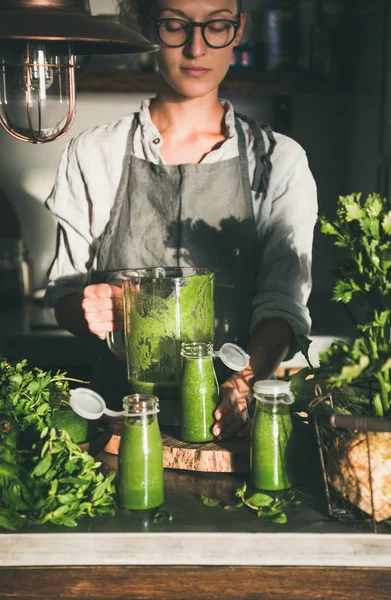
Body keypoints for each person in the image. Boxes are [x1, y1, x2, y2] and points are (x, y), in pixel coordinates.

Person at [45, 0, 317, 440]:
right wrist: (87, 309)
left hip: (233, 422)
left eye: (217, 26)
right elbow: (63, 293)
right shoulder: (94, 153)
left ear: (239, 29)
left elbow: (283, 303)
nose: (196, 47)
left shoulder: (279, 160)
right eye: (175, 25)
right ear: (146, 28)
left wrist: (242, 382)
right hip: (118, 422)